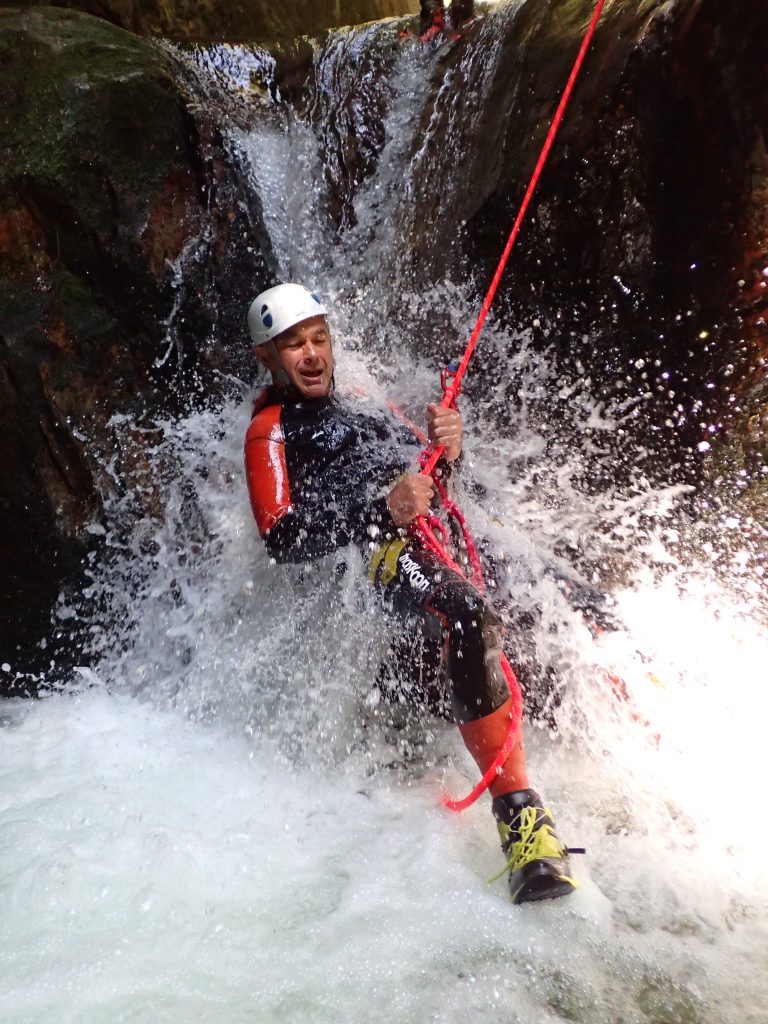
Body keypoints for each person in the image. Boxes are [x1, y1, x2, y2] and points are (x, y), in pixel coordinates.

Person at [244, 283, 578, 904]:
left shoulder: (365, 401)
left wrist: (448, 447)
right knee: (467, 612)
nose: (312, 354)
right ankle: (524, 828)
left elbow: (426, 477)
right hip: (378, 558)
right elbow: (281, 536)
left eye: (319, 339)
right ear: (268, 357)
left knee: (560, 596)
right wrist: (380, 509)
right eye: (294, 345)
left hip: (432, 536)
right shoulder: (270, 430)